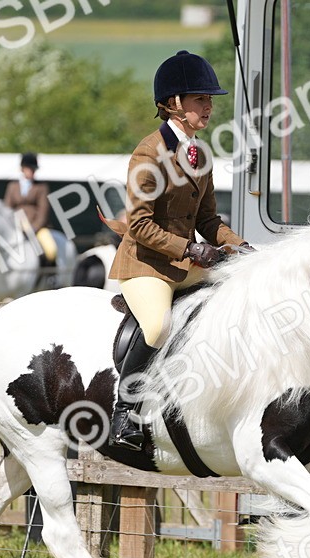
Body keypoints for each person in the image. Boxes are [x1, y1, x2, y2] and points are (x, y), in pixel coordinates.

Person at [106, 50, 252, 451]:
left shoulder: (200, 153)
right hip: (146, 265)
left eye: (209, 100)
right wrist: (191, 249)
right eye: (200, 99)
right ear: (173, 103)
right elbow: (139, 226)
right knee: (157, 326)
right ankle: (125, 412)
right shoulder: (148, 153)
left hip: (186, 262)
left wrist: (242, 248)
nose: (208, 107)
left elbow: (208, 220)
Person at [3, 152, 58, 262]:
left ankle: (49, 271)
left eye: (33, 170)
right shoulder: (12, 186)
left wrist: (32, 229)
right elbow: (7, 208)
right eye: (29, 169)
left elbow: (43, 211)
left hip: (36, 227)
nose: (32, 172)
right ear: (22, 169)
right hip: (16, 226)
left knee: (51, 250)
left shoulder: (41, 187)